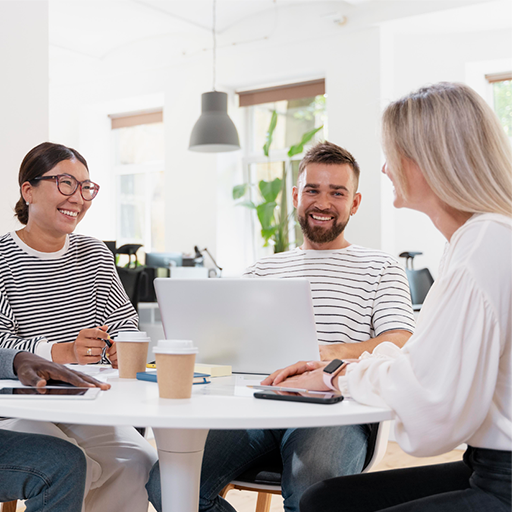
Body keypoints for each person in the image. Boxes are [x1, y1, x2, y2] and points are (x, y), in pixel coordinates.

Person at [265, 83, 511, 512]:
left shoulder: (484, 247)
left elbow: (432, 420)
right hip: (485, 464)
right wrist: (341, 368)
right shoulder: (474, 241)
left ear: (429, 161)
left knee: (322, 497)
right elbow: (423, 365)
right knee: (325, 501)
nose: (383, 168)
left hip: (501, 480)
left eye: (392, 153)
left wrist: (337, 374)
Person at [146, 141, 416, 512]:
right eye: (312, 190)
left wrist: (326, 355)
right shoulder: (262, 270)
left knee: (312, 492)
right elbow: (229, 343)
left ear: (354, 203)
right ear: (295, 196)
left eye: (336, 193)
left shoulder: (381, 267)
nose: (322, 202)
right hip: (257, 406)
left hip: (335, 410)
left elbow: (400, 339)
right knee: (167, 483)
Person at [0, 142, 157, 512]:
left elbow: (124, 321)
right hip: (21, 408)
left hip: (90, 404)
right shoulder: (3, 258)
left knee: (138, 463)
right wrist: (61, 352)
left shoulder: (95, 253)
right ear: (28, 190)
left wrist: (120, 343)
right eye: (66, 183)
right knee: (75, 465)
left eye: (86, 187)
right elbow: (0, 342)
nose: (79, 198)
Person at [0, 349, 110, 512]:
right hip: (14, 415)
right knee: (62, 466)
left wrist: (16, 359)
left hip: (77, 405)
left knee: (133, 461)